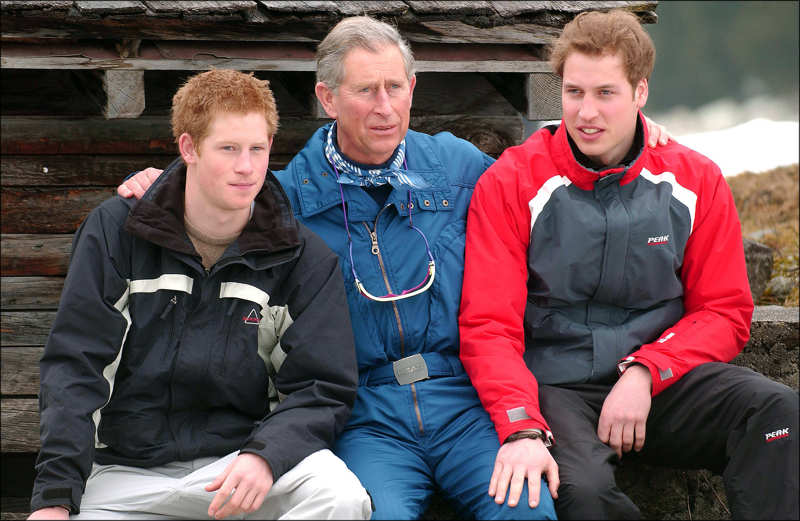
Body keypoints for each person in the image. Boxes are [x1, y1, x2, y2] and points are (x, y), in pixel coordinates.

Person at [117, 16, 671, 520]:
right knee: (373, 514)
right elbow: (220, 184)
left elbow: (549, 168)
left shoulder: (457, 166)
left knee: (525, 507)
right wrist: (164, 181)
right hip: (364, 415)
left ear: (412, 89)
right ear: (328, 98)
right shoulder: (287, 197)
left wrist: (643, 139)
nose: (384, 106)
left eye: (395, 87)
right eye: (365, 91)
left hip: (466, 401)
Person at [458, 9, 799, 520]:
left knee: (779, 415)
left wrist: (647, 371)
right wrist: (521, 423)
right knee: (580, 493)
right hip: (557, 389)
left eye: (605, 93)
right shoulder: (512, 182)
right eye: (574, 92)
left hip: (663, 381)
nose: (586, 112)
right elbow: (488, 326)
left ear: (640, 92)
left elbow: (725, 310)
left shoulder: (694, 180)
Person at [29, 69, 371, 520]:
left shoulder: (302, 257)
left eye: (257, 148)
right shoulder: (116, 232)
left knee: (340, 497)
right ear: (189, 148)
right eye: (228, 149)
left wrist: (266, 456)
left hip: (241, 465)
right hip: (123, 474)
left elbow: (321, 386)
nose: (246, 166)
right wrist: (54, 499)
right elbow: (76, 366)